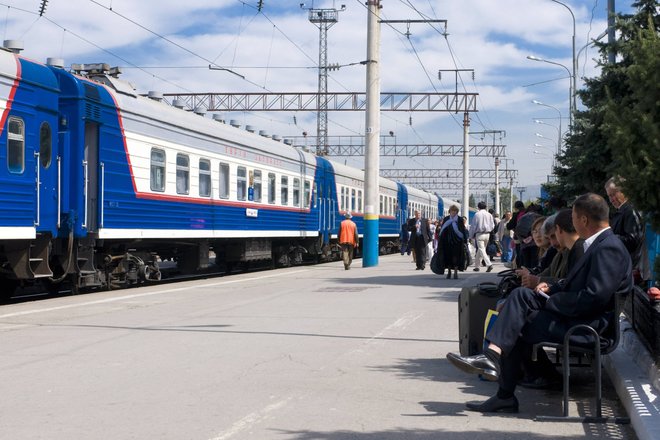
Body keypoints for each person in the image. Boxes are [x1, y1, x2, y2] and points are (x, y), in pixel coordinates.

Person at [446, 193, 633, 413]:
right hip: (577, 318)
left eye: (573, 217)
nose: (570, 222)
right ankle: (493, 361)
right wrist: (550, 288)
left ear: (583, 220)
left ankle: (499, 380)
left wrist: (551, 300)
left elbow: (593, 298)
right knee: (520, 298)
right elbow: (577, 287)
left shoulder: (608, 247)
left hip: (589, 327)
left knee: (516, 321)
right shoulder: (599, 244)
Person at [605, 177, 648, 284]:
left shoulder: (630, 211)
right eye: (609, 196)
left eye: (613, 194)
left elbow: (632, 240)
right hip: (625, 267)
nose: (611, 199)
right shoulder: (624, 210)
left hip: (630, 268)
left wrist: (608, 237)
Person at [438, 205, 469, 279]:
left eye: (455, 211)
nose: (453, 212)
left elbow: (462, 230)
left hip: (457, 242)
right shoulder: (446, 219)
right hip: (447, 241)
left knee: (456, 257)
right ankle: (449, 271)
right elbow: (443, 230)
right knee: (448, 257)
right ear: (450, 211)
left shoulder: (460, 219)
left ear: (457, 212)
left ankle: (455, 271)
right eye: (452, 211)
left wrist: (465, 240)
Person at [469, 202, 495, 272]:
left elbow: (473, 226)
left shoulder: (477, 214)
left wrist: (470, 236)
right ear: (486, 207)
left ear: (478, 207)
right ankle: (477, 266)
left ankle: (489, 264)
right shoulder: (489, 214)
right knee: (481, 250)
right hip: (487, 234)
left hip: (479, 234)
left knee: (481, 249)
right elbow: (492, 225)